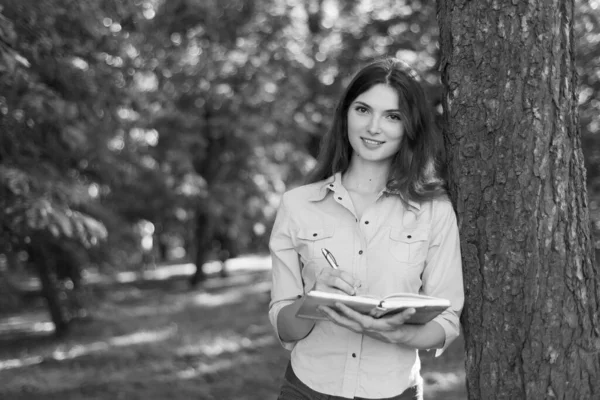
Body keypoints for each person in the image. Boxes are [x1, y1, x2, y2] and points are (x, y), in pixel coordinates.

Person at [268, 57, 464, 400]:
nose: (374, 127)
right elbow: (284, 327)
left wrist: (396, 334)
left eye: (392, 116)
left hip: (394, 390)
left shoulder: (435, 212)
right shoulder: (297, 205)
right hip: (307, 389)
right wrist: (313, 297)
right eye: (363, 110)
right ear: (346, 114)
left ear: (409, 126)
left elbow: (447, 322)